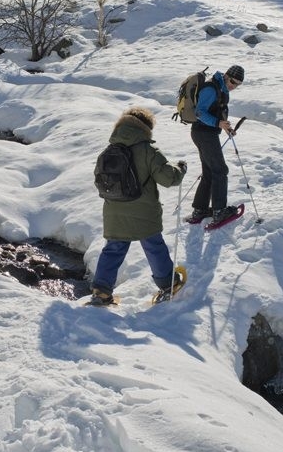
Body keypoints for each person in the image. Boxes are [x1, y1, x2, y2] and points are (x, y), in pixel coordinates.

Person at [90, 106, 187, 305]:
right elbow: (168, 179)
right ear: (146, 128)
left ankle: (101, 291)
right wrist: (180, 169)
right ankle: (168, 285)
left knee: (113, 249)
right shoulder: (148, 150)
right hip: (143, 211)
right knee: (154, 246)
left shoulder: (108, 151)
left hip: (114, 210)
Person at [186, 64, 244, 225]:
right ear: (226, 75)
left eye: (238, 84)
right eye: (232, 81)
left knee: (210, 171)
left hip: (206, 133)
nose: (233, 86)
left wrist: (226, 128)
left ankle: (200, 210)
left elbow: (218, 113)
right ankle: (219, 211)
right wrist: (218, 123)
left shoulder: (222, 89)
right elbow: (199, 112)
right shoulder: (211, 88)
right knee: (220, 170)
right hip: (203, 133)